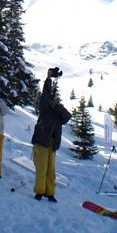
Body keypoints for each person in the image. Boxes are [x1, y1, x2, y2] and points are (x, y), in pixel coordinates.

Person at [31, 67, 71, 202]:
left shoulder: (58, 112)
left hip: (52, 145)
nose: (55, 100)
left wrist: (57, 106)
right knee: (41, 169)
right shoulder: (45, 108)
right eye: (53, 100)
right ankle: (40, 191)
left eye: (56, 99)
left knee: (51, 171)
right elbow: (45, 93)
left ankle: (50, 193)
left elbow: (67, 117)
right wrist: (48, 78)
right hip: (41, 141)